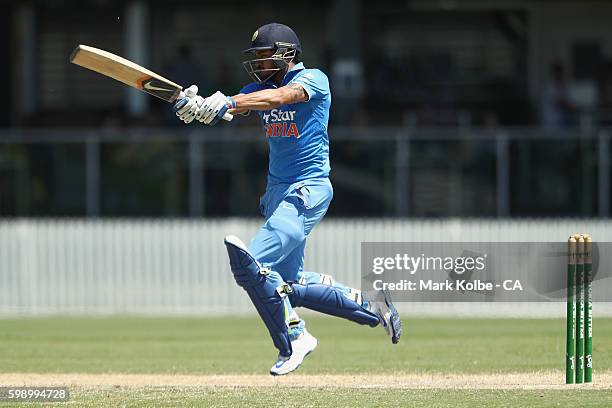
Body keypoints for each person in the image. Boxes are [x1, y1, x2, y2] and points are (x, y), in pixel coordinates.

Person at [172, 22, 401, 376]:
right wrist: (198, 106)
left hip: (307, 189)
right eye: (257, 58)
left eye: (266, 57)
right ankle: (371, 305)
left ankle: (294, 337)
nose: (260, 64)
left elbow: (277, 98)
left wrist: (230, 101)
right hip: (277, 194)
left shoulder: (314, 80)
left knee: (250, 261)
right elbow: (235, 108)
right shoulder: (256, 89)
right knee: (286, 286)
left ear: (287, 54)